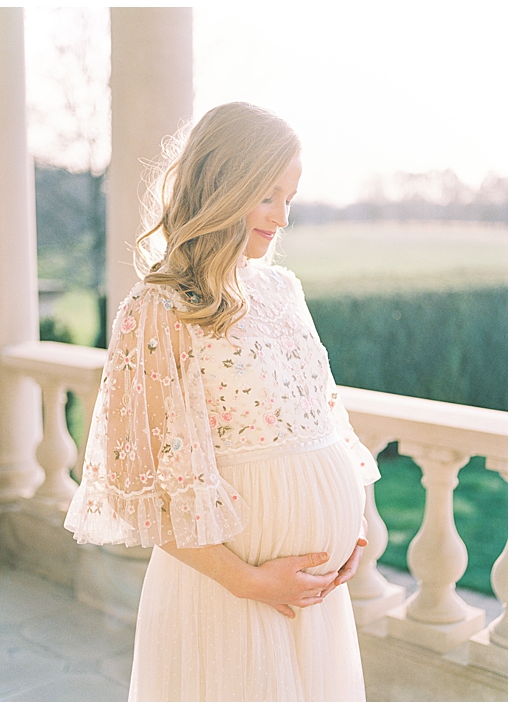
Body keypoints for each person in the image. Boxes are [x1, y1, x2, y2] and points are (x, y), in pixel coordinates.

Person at [63, 102, 380, 701]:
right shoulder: (158, 307)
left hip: (312, 595)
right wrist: (251, 583)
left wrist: (349, 525)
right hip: (228, 593)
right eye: (267, 195)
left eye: (290, 197)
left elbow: (318, 416)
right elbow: (146, 487)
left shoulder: (283, 289)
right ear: (220, 187)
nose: (282, 217)